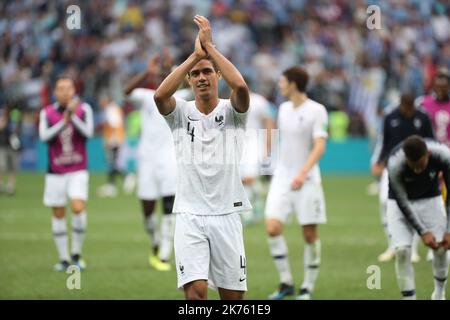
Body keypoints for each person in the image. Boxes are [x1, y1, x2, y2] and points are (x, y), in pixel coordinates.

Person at [154, 15, 251, 300]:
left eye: (207, 71)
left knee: (232, 299)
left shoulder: (232, 111)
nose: (201, 78)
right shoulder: (181, 113)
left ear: (218, 74)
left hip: (227, 214)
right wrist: (196, 55)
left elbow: (242, 88)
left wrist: (211, 50)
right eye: (195, 74)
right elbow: (160, 96)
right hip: (189, 215)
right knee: (195, 294)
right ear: (189, 79)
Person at [265, 66, 328, 300]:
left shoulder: (317, 110)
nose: (280, 85)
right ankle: (286, 282)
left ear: (293, 83)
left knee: (309, 235)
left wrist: (303, 172)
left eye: (282, 81)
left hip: (307, 179)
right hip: (282, 177)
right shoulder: (283, 109)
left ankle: (307, 288)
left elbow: (320, 144)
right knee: (272, 228)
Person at [124, 53, 182, 271]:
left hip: (169, 157)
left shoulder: (181, 96)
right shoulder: (146, 96)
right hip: (146, 158)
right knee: (147, 208)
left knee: (169, 204)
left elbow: (193, 85)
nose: (163, 74)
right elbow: (126, 92)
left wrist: (176, 70)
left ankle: (165, 254)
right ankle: (156, 242)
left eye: (168, 71)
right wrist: (146, 73)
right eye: (161, 71)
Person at [372, 92, 435, 263]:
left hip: (416, 168)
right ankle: (393, 245)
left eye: (410, 107)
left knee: (413, 205)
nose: (407, 110)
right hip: (392, 166)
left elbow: (430, 141)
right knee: (385, 202)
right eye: (404, 107)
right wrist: (378, 161)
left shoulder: (422, 117)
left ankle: (411, 249)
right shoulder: (390, 117)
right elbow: (384, 141)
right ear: (400, 104)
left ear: (413, 105)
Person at [39, 76, 94, 271]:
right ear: (55, 92)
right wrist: (64, 121)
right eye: (61, 88)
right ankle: (63, 259)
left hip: (77, 170)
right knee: (58, 213)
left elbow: (88, 133)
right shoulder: (47, 112)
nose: (65, 92)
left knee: (78, 208)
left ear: (74, 90)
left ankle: (76, 254)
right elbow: (44, 137)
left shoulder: (84, 109)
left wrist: (72, 116)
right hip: (55, 172)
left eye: (68, 88)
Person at [387, 135, 450, 300]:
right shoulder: (395, 162)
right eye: (412, 165)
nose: (416, 170)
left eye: (420, 165)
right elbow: (402, 201)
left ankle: (439, 294)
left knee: (441, 247)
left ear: (428, 154)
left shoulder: (444, 155)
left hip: (431, 199)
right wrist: (422, 231)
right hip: (400, 202)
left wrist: (449, 230)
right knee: (401, 251)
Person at [418, 67, 450, 262]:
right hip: (428, 157)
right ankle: (433, 240)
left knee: (446, 201)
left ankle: (444, 237)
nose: (441, 85)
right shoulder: (423, 103)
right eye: (438, 81)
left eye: (444, 81)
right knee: (430, 201)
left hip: (448, 157)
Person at [240, 80, 275, 225]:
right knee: (241, 179)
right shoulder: (231, 100)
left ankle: (247, 213)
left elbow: (268, 121)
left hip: (254, 142)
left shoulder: (259, 101)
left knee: (249, 177)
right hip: (237, 143)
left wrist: (268, 144)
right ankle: (259, 197)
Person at [97, 94, 125, 198]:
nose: (100, 103)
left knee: (112, 163)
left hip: (114, 140)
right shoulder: (114, 108)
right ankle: (112, 185)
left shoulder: (111, 109)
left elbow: (114, 125)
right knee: (112, 163)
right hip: (116, 139)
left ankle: (124, 178)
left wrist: (109, 141)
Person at [0, 104, 21, 195]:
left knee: (13, 167)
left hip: (12, 146)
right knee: (2, 166)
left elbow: (17, 130)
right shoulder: (2, 119)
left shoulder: (14, 118)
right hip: (3, 146)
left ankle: (10, 187)